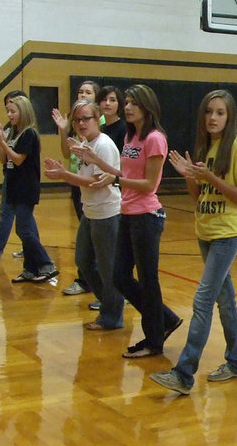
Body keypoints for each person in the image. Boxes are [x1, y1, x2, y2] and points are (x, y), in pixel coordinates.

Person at [150, 90, 237, 394]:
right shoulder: (205, 146)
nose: (213, 117)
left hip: (228, 233)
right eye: (209, 111)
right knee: (225, 301)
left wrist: (211, 177)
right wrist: (188, 176)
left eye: (220, 112)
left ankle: (184, 373)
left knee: (202, 300)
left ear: (230, 116)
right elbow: (199, 198)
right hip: (206, 231)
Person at [75, 84, 181, 358]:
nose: (128, 107)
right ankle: (164, 319)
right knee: (119, 276)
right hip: (128, 212)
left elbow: (148, 184)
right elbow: (123, 171)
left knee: (148, 279)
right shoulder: (131, 137)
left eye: (134, 102)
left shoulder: (155, 138)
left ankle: (154, 341)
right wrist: (96, 160)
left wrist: (117, 179)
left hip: (147, 215)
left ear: (147, 106)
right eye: (128, 102)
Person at [43, 99, 125, 331]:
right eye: (77, 120)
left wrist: (64, 175)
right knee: (84, 261)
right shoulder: (84, 143)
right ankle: (108, 304)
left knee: (108, 268)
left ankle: (113, 315)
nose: (81, 123)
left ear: (97, 119)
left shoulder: (104, 145)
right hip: (90, 213)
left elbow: (98, 182)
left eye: (86, 118)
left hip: (107, 214)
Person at [0, 91, 58, 283]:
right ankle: (30, 269)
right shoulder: (13, 132)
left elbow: (19, 160)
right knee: (23, 229)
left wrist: (2, 141)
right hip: (12, 184)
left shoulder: (29, 133)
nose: (9, 115)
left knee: (24, 229)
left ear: (24, 112)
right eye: (7, 111)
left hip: (26, 186)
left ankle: (46, 264)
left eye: (12, 111)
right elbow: (4, 159)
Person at [54, 80, 100, 298]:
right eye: (80, 91)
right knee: (85, 234)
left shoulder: (97, 124)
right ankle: (88, 280)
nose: (83, 94)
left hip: (95, 184)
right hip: (77, 180)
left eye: (88, 92)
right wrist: (63, 131)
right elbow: (66, 153)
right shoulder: (77, 122)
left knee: (94, 238)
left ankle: (96, 283)